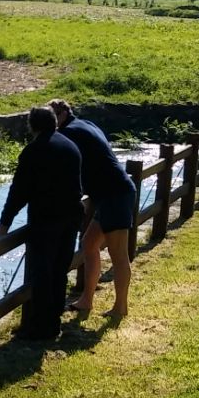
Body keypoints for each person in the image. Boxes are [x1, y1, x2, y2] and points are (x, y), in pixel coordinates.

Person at [0, 105, 84, 341]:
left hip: (47, 220)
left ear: (32, 126)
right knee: (59, 271)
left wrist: (5, 222)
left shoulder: (35, 150)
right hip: (72, 217)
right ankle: (54, 324)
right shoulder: (70, 146)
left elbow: (19, 192)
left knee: (42, 274)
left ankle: (39, 328)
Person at [51, 99, 136, 322]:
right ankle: (86, 299)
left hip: (114, 194)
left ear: (60, 115)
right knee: (89, 244)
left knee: (118, 255)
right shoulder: (85, 124)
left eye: (53, 118)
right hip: (109, 194)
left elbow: (68, 168)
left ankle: (120, 307)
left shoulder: (68, 133)